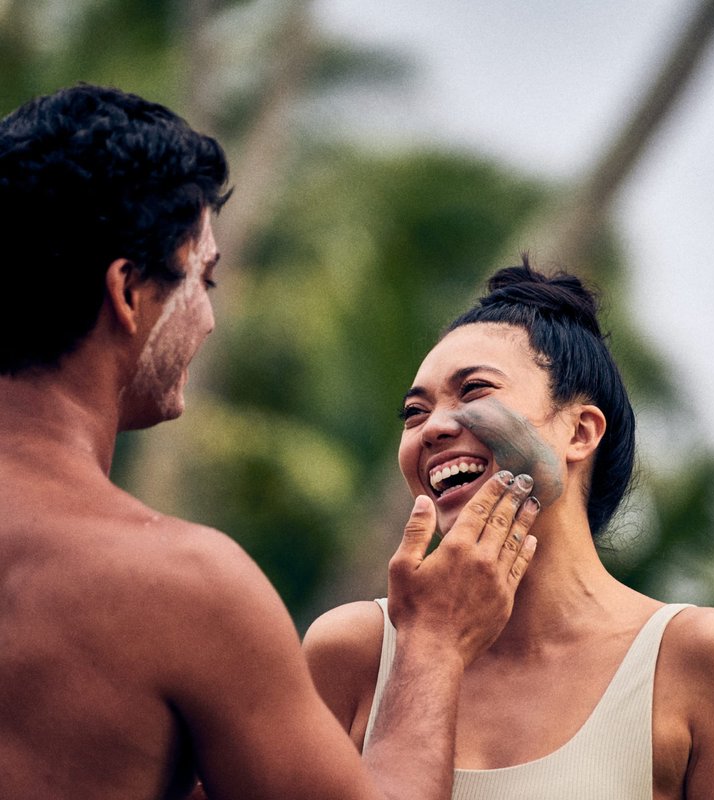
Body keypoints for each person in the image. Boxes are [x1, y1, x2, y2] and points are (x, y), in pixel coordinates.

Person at [0, 83, 540, 800]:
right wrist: (435, 644)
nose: (209, 319)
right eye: (205, 280)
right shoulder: (177, 587)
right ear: (128, 293)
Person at [303, 258, 714, 799]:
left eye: (475, 390)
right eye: (414, 413)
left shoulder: (699, 657)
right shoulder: (353, 650)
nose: (433, 427)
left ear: (580, 432)